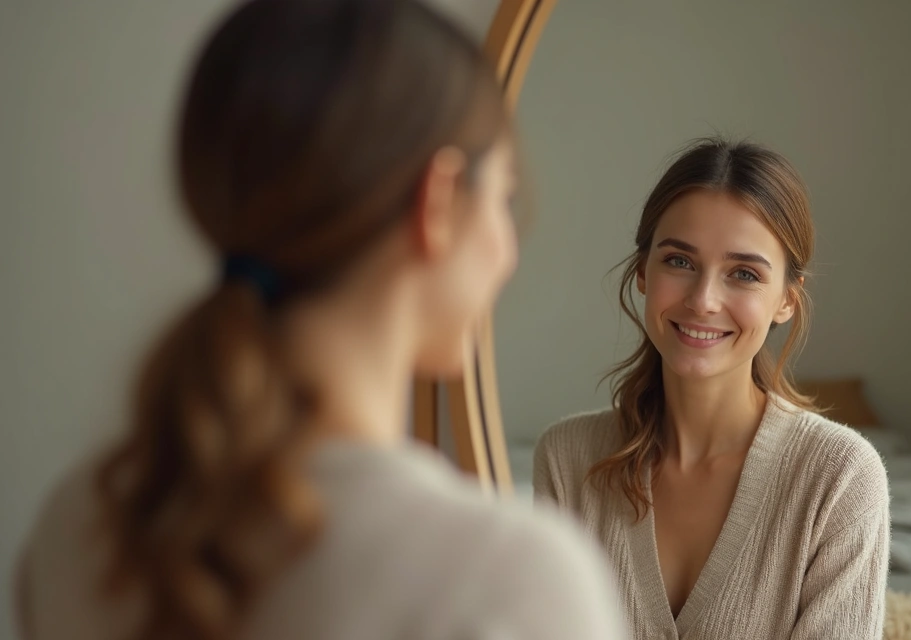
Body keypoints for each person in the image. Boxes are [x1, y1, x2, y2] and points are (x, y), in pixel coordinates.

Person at [13, 1, 623, 639]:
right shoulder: (513, 583)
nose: (509, 250)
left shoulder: (80, 528)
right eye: (503, 196)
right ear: (438, 202)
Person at [533, 137, 890, 639]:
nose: (703, 300)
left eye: (743, 274)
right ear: (642, 271)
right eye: (679, 261)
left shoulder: (840, 481)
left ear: (786, 300)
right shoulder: (567, 462)